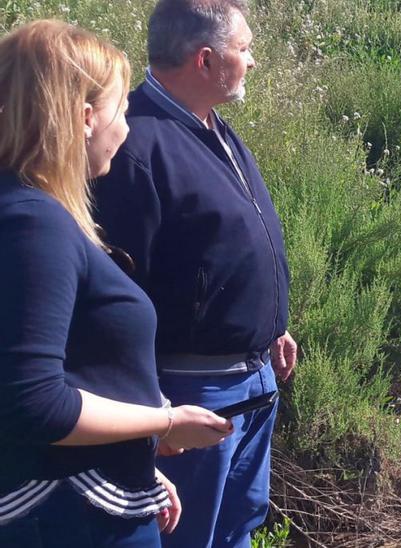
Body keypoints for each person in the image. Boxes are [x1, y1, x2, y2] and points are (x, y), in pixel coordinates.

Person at [0, 19, 234, 547]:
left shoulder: (30, 212)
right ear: (85, 118)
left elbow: (81, 367)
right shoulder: (33, 224)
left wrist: (135, 464)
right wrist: (164, 422)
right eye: (121, 111)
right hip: (67, 521)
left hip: (81, 501)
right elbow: (35, 402)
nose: (127, 129)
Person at [93, 1, 297, 546]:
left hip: (252, 379)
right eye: (245, 49)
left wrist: (268, 325)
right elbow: (114, 300)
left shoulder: (213, 129)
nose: (252, 61)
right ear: (205, 60)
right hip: (190, 395)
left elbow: (222, 249)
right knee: (192, 537)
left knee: (237, 529)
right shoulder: (134, 146)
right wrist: (152, 413)